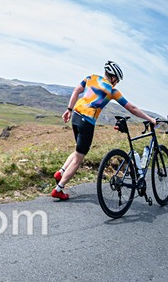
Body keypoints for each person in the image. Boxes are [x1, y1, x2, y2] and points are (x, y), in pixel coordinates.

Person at [52, 61, 156, 200]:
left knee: (78, 150)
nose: (116, 83)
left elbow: (76, 90)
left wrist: (69, 109)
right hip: (87, 121)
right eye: (117, 80)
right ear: (113, 77)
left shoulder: (90, 78)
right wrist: (150, 119)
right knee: (79, 157)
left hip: (76, 116)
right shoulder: (111, 90)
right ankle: (59, 189)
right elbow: (132, 108)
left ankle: (61, 172)